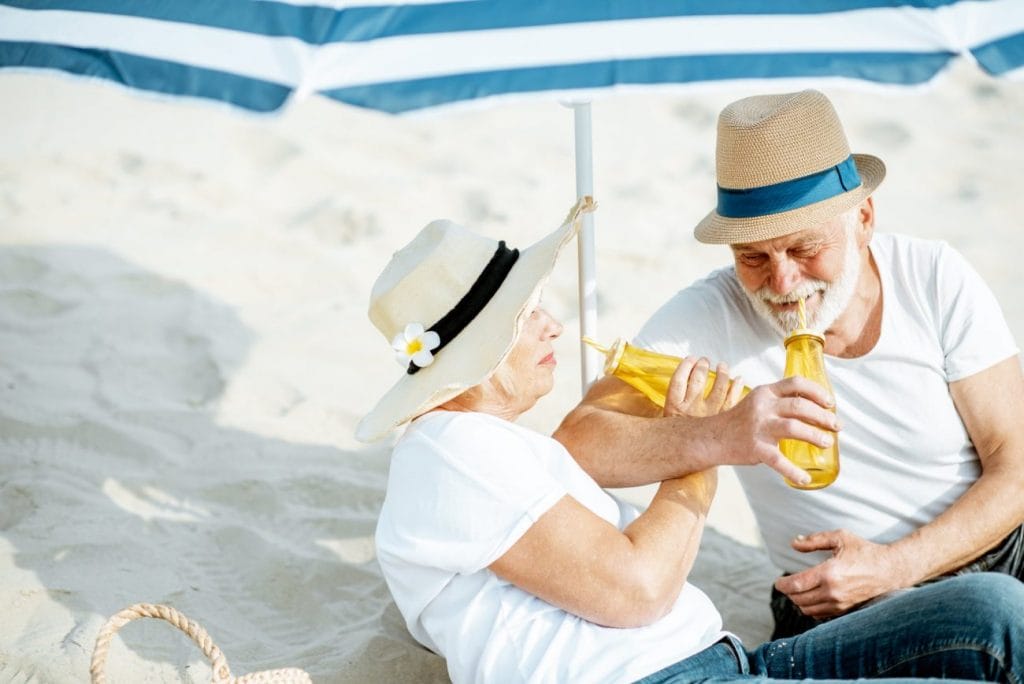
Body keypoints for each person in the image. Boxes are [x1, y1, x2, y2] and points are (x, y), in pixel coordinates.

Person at [356, 198, 1024, 683]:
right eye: (528, 316)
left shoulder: (482, 451)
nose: (554, 327)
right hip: (676, 676)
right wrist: (707, 445)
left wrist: (705, 439)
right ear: (476, 349)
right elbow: (639, 589)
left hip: (730, 662)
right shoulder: (450, 449)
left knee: (995, 609)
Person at [555, 89, 1024, 639]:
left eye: (804, 249)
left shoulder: (933, 278)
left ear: (864, 218)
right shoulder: (710, 314)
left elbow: (1013, 465)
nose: (782, 284)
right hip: (834, 607)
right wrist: (716, 436)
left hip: (999, 551)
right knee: (1002, 615)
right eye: (753, 256)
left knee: (999, 603)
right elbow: (578, 442)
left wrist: (894, 565)